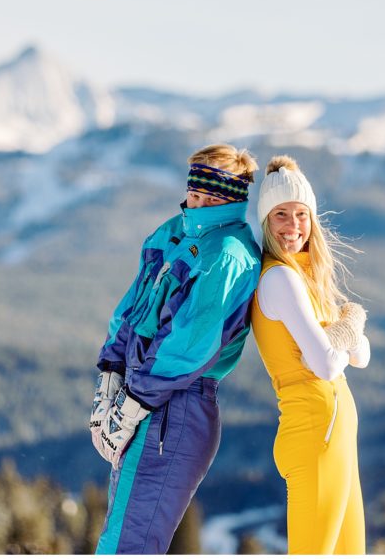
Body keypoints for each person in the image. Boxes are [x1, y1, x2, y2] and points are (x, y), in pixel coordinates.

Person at [89, 143, 262, 554]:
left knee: (130, 543)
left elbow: (188, 346)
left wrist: (131, 405)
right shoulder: (174, 233)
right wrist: (111, 375)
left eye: (210, 198)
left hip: (175, 407)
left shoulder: (228, 256)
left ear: (231, 199)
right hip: (146, 395)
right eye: (194, 193)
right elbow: (132, 307)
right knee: (121, 534)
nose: (197, 203)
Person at [250, 155, 370, 554]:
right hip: (315, 435)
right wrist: (349, 325)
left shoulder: (305, 276)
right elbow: (325, 363)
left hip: (335, 438)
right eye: (281, 214)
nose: (293, 226)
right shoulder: (280, 277)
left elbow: (361, 356)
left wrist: (345, 329)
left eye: (301, 214)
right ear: (265, 221)